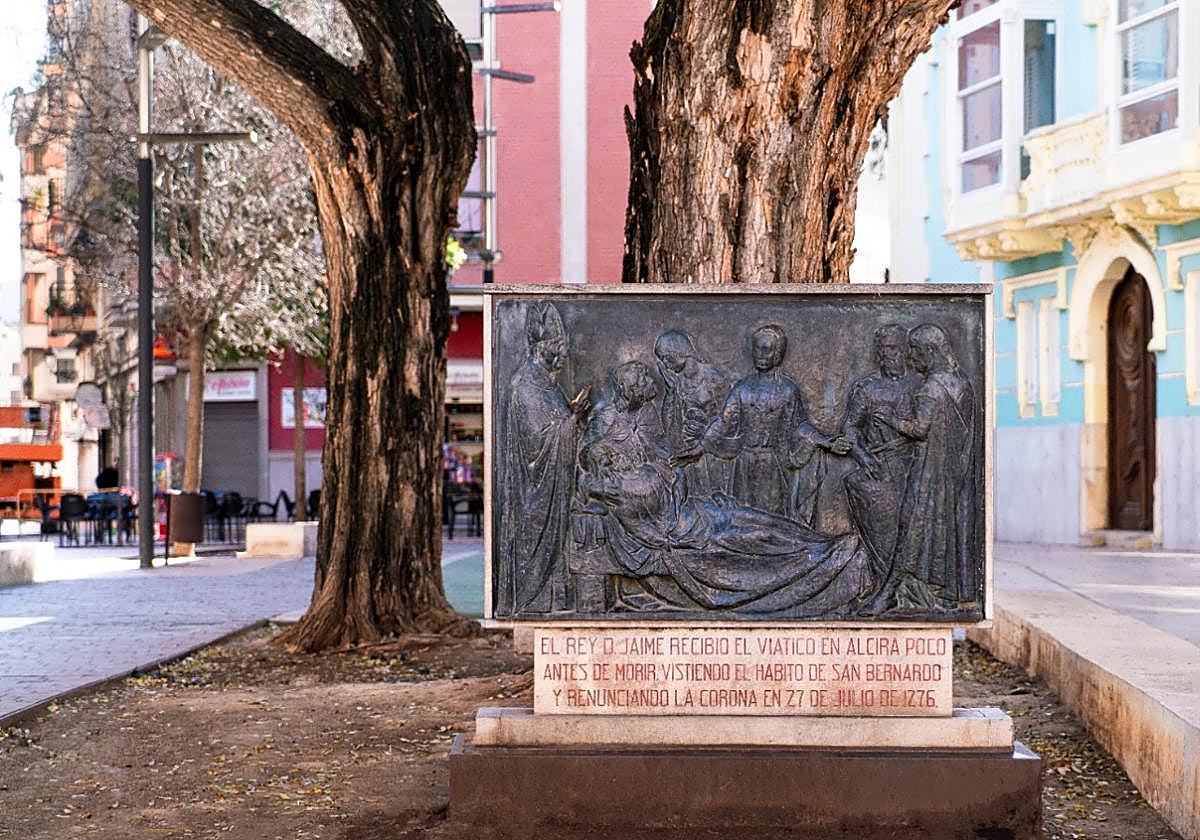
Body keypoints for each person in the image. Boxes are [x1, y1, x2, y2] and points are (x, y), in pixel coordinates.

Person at [574, 360, 873, 617]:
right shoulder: (610, 446)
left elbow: (665, 459)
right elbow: (593, 471)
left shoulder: (645, 421)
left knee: (757, 519)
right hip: (682, 530)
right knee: (755, 535)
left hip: (693, 512)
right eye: (643, 383)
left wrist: (680, 461)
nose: (651, 386)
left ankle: (823, 545)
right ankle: (824, 559)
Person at [867, 323, 977, 613]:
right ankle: (945, 593)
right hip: (955, 474)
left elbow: (919, 430)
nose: (912, 357)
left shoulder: (930, 389)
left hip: (928, 472)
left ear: (930, 351)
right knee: (946, 530)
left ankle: (890, 593)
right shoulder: (962, 383)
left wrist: (890, 420)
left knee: (909, 527)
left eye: (915, 351)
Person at [690, 325, 847, 524]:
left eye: (767, 350)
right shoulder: (742, 389)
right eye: (757, 348)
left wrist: (825, 442)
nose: (761, 355)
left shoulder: (788, 390)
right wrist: (700, 447)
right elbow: (723, 422)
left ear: (778, 354)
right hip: (744, 466)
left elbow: (799, 426)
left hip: (773, 467)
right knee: (742, 521)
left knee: (773, 521)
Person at [496, 303, 590, 616]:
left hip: (556, 488)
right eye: (558, 346)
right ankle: (533, 601)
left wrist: (574, 417)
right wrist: (571, 421)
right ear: (541, 347)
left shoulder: (548, 384)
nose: (563, 353)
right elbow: (539, 444)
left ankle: (559, 600)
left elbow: (559, 427)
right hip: (535, 493)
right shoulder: (525, 386)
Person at [840, 325, 921, 574]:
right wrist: (863, 457)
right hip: (880, 467)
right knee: (882, 528)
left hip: (914, 467)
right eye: (883, 349)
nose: (888, 354)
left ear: (906, 351)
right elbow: (850, 427)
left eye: (894, 348)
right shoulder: (867, 389)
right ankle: (882, 576)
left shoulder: (919, 385)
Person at [653, 330, 730, 499]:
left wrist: (705, 438)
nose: (665, 364)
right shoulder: (678, 383)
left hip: (711, 455)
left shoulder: (713, 378)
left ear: (678, 352)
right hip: (687, 455)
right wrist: (671, 393)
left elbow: (728, 420)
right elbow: (669, 427)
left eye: (666, 357)